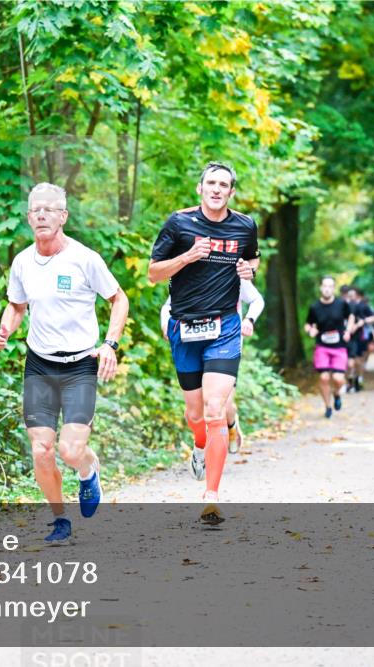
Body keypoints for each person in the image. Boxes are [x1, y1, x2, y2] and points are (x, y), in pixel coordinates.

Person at [0, 182, 129, 543]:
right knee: (42, 449)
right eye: (35, 209)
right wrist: (4, 331)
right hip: (40, 365)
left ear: (63, 216)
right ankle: (59, 520)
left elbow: (119, 299)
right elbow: (16, 307)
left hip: (80, 365)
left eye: (50, 209)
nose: (41, 214)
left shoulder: (84, 258)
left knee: (70, 450)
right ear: (29, 217)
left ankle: (88, 470)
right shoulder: (22, 262)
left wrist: (110, 344)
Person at [148, 161, 260, 524]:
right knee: (195, 416)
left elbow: (252, 259)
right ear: (200, 189)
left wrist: (250, 270)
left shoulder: (244, 226)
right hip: (186, 329)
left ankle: (211, 496)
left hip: (225, 327)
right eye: (210, 183)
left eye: (223, 184)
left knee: (214, 410)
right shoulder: (178, 223)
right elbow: (153, 274)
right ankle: (199, 445)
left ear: (231, 192)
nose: (216, 189)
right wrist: (187, 257)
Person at [160, 278, 263, 456]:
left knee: (224, 404)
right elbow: (169, 305)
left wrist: (249, 320)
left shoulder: (230, 268)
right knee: (197, 409)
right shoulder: (190, 269)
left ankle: (230, 427)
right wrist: (165, 325)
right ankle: (204, 446)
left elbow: (256, 299)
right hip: (191, 344)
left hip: (225, 344)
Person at [304, 276, 355, 418]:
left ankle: (337, 394)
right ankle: (328, 407)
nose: (327, 289)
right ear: (321, 288)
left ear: (333, 288)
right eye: (324, 286)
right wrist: (310, 330)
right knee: (324, 378)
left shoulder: (342, 304)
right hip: (322, 346)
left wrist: (348, 330)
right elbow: (308, 323)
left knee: (338, 379)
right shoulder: (315, 307)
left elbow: (351, 317)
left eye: (330, 286)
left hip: (339, 346)